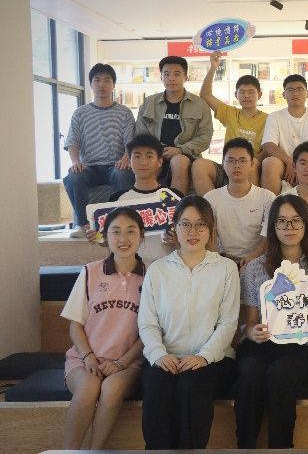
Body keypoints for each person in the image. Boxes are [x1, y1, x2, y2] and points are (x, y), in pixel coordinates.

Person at [138, 195, 239, 449]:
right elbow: (148, 323)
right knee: (157, 386)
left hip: (213, 360)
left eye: (201, 224)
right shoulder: (158, 270)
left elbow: (227, 323)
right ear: (175, 228)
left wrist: (204, 356)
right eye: (185, 224)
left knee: (192, 386)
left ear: (211, 229)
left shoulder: (226, 268)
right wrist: (159, 354)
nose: (193, 232)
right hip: (166, 358)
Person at [236, 194, 308, 448]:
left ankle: (281, 448)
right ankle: (244, 447)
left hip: (300, 348)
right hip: (262, 344)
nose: (289, 227)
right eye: (282, 221)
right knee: (250, 374)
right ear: (273, 227)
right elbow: (249, 322)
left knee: (279, 376)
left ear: (306, 224)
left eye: (296, 221)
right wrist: (252, 331)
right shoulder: (255, 268)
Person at [61, 207, 146, 449]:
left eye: (131, 231)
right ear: (105, 236)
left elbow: (149, 332)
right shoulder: (90, 271)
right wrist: (88, 357)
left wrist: (121, 363)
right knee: (88, 389)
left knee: (111, 388)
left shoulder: (151, 276)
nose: (123, 238)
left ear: (142, 236)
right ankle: (68, 452)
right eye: (115, 231)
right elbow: (75, 325)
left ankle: (95, 451)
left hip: (128, 363)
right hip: (85, 359)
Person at [85, 133, 182, 266]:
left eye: (149, 156)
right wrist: (96, 236)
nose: (143, 162)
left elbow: (186, 237)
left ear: (160, 162)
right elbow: (108, 240)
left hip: (167, 268)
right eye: (137, 156)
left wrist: (177, 241)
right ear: (129, 161)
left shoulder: (174, 197)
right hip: (130, 269)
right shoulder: (117, 199)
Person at [63, 63, 135, 238]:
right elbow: (72, 142)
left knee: (123, 175)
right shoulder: (80, 113)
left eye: (107, 80)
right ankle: (82, 225)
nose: (102, 84)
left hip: (115, 165)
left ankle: (123, 223)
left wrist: (126, 158)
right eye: (97, 80)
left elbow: (131, 141)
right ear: (91, 84)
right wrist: (75, 162)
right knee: (73, 177)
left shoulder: (124, 112)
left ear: (113, 84)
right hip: (89, 167)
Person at [192, 50, 268, 195]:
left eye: (251, 92)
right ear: (236, 95)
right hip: (227, 167)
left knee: (250, 166)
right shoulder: (230, 113)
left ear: (259, 94)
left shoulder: (269, 119)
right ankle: (212, 206)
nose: (246, 96)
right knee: (199, 165)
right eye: (242, 92)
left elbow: (268, 148)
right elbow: (205, 95)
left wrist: (248, 163)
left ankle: (252, 206)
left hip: (253, 167)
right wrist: (213, 67)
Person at [135, 55, 212, 194]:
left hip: (186, 155)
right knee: (146, 163)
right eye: (166, 74)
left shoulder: (199, 105)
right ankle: (148, 204)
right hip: (154, 153)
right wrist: (157, 150)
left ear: (185, 77)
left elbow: (205, 136)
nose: (171, 78)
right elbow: (141, 134)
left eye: (176, 74)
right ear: (161, 77)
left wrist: (180, 150)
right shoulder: (149, 103)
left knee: (178, 161)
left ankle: (176, 206)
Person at [204, 137, 275, 267]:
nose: (237, 165)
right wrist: (218, 261)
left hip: (257, 260)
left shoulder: (267, 198)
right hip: (221, 259)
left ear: (252, 164)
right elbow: (209, 235)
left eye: (242, 160)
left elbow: (269, 236)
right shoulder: (210, 198)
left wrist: (253, 257)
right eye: (231, 160)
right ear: (223, 163)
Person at [260, 74, 308, 195]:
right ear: (284, 95)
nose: (295, 93)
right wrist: (290, 162)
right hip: (283, 163)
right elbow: (268, 145)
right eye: (290, 90)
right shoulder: (274, 116)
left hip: (307, 161)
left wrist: (299, 164)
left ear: (307, 94)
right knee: (269, 163)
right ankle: (270, 205)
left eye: (299, 89)